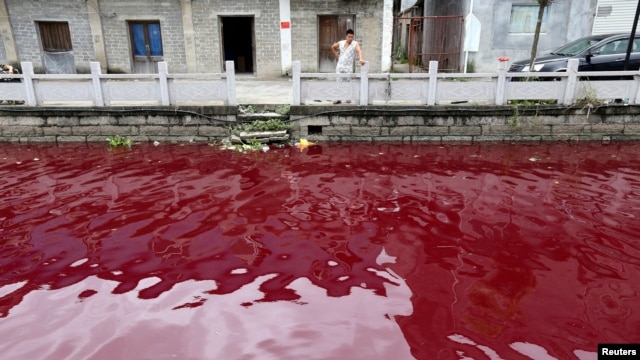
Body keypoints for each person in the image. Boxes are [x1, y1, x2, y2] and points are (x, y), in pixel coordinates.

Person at [331, 29, 365, 104]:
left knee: (348, 82)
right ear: (346, 36)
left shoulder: (355, 44)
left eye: (352, 37)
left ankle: (347, 97)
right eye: (349, 37)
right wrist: (336, 54)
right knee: (338, 82)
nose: (350, 38)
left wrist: (360, 59)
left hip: (348, 67)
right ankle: (338, 98)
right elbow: (333, 47)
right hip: (340, 66)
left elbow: (359, 50)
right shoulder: (341, 43)